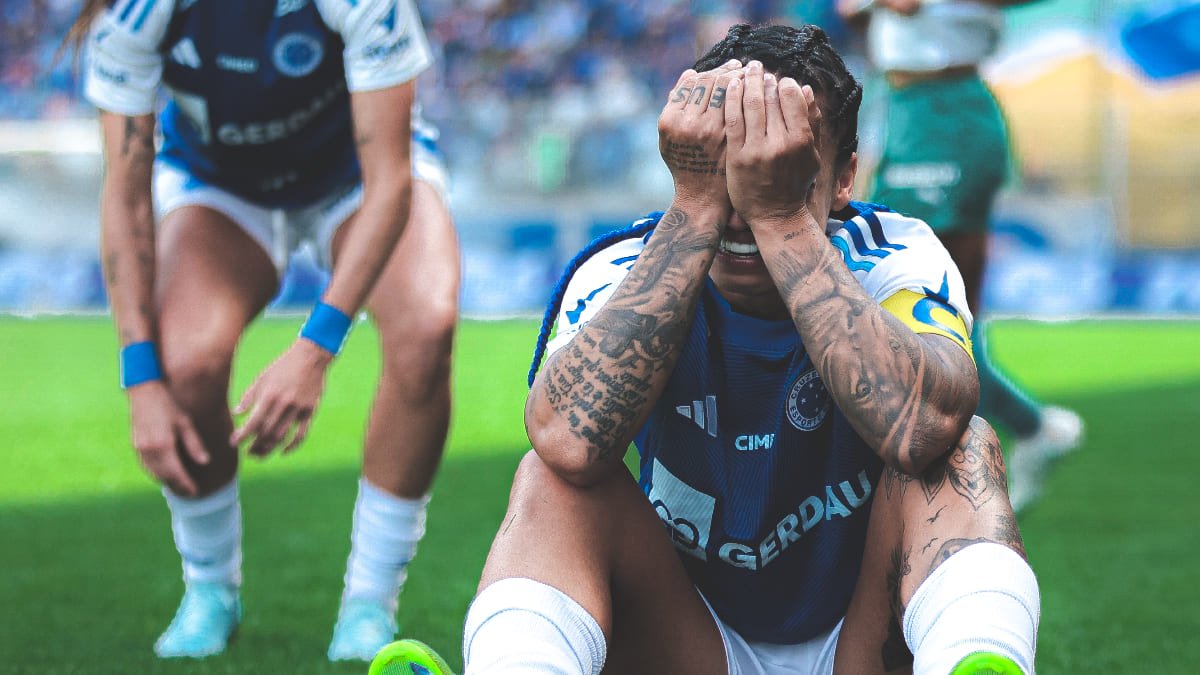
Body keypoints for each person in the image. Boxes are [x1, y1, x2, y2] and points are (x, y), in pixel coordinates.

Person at [377, 23, 1039, 675]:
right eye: (727, 171)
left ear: (844, 180)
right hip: (690, 645)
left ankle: (970, 658)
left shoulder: (896, 252)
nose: (744, 209)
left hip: (863, 644)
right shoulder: (626, 266)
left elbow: (925, 428)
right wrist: (695, 210)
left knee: (961, 446)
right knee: (551, 480)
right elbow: (566, 443)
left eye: (783, 173)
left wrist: (783, 222)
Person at [68, 0, 459, 662]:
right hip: (222, 186)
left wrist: (316, 346)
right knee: (184, 363)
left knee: (426, 327)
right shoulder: (133, 16)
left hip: (356, 181)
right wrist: (141, 379)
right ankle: (210, 588)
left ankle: (369, 603)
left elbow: (390, 181)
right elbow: (126, 196)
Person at [836, 0, 1083, 512]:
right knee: (900, 302)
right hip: (904, 110)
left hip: (948, 112)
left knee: (932, 310)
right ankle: (1028, 429)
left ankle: (966, 464)